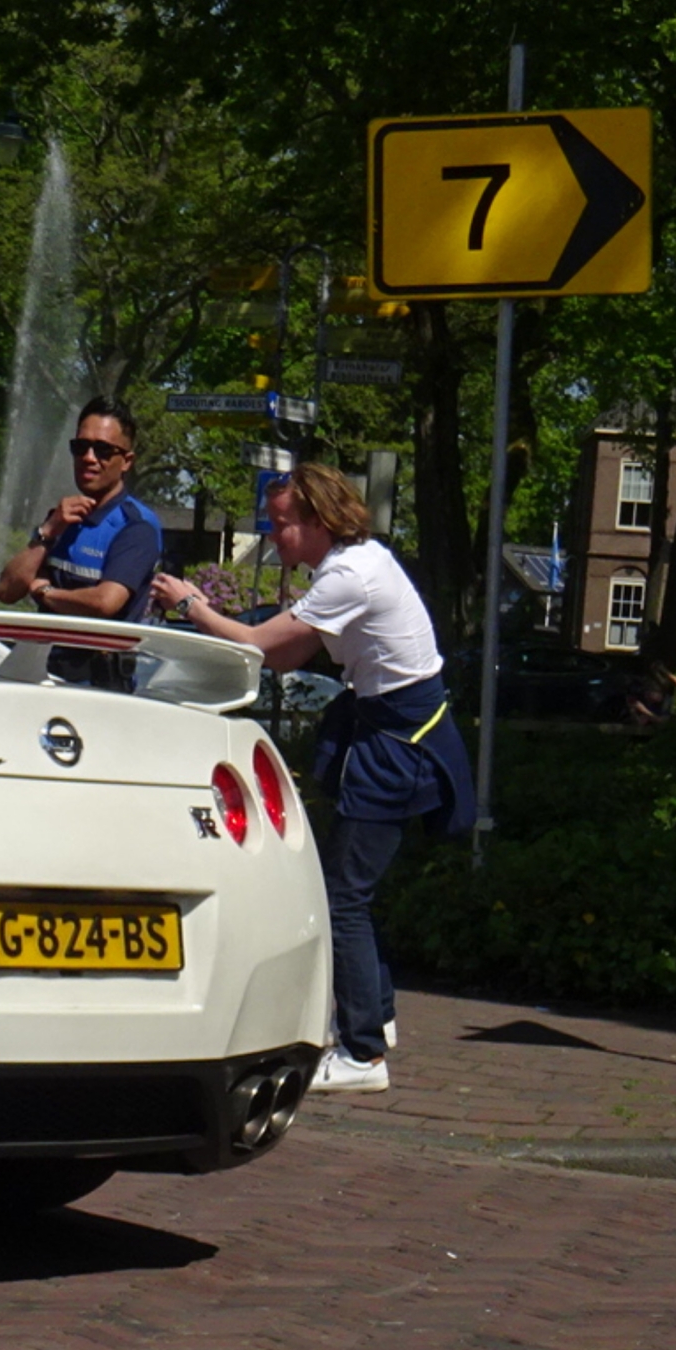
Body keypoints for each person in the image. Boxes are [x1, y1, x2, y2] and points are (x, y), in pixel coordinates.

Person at [151, 464, 474, 1094]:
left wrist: (191, 606)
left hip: (396, 741)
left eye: (281, 525)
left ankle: (362, 1056)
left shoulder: (349, 575)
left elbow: (264, 649)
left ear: (319, 521)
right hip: (391, 728)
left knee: (343, 899)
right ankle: (374, 1018)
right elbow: (293, 650)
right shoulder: (357, 562)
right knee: (352, 891)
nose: (274, 538)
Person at [0, 397, 162, 687]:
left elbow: (104, 603)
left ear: (127, 461)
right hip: (40, 674)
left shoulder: (137, 526)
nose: (89, 458)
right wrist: (48, 530)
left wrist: (45, 591)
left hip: (98, 685)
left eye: (103, 450)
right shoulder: (60, 518)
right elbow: (7, 590)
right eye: (80, 447)